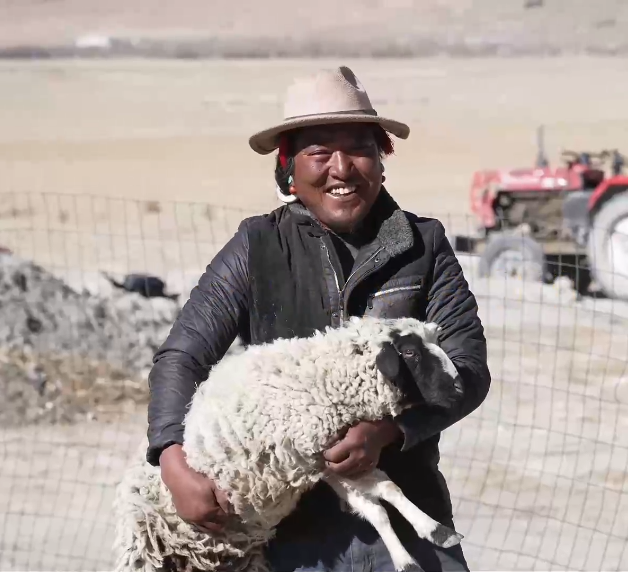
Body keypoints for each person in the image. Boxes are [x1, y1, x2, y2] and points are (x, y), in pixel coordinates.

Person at [146, 65, 491, 572]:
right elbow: (182, 356)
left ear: (382, 160)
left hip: (406, 518)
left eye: (359, 148)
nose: (342, 168)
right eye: (319, 152)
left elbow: (468, 368)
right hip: (290, 535)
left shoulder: (424, 246)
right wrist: (171, 459)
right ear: (288, 168)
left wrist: (390, 432)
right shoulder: (257, 246)